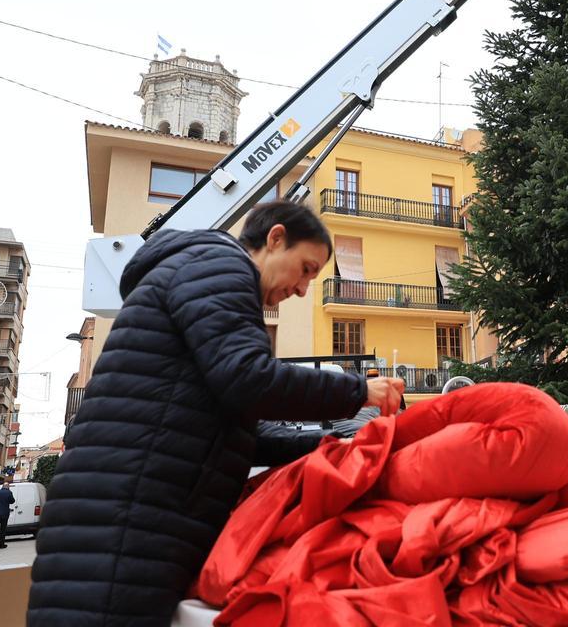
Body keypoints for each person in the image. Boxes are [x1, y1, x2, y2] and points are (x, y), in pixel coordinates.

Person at [28, 201, 404, 626]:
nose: (302, 290)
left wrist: (335, 446)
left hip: (129, 521)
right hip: (123, 526)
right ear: (275, 238)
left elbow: (238, 435)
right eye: (305, 269)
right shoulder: (220, 266)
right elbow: (248, 379)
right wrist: (359, 390)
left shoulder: (208, 281)